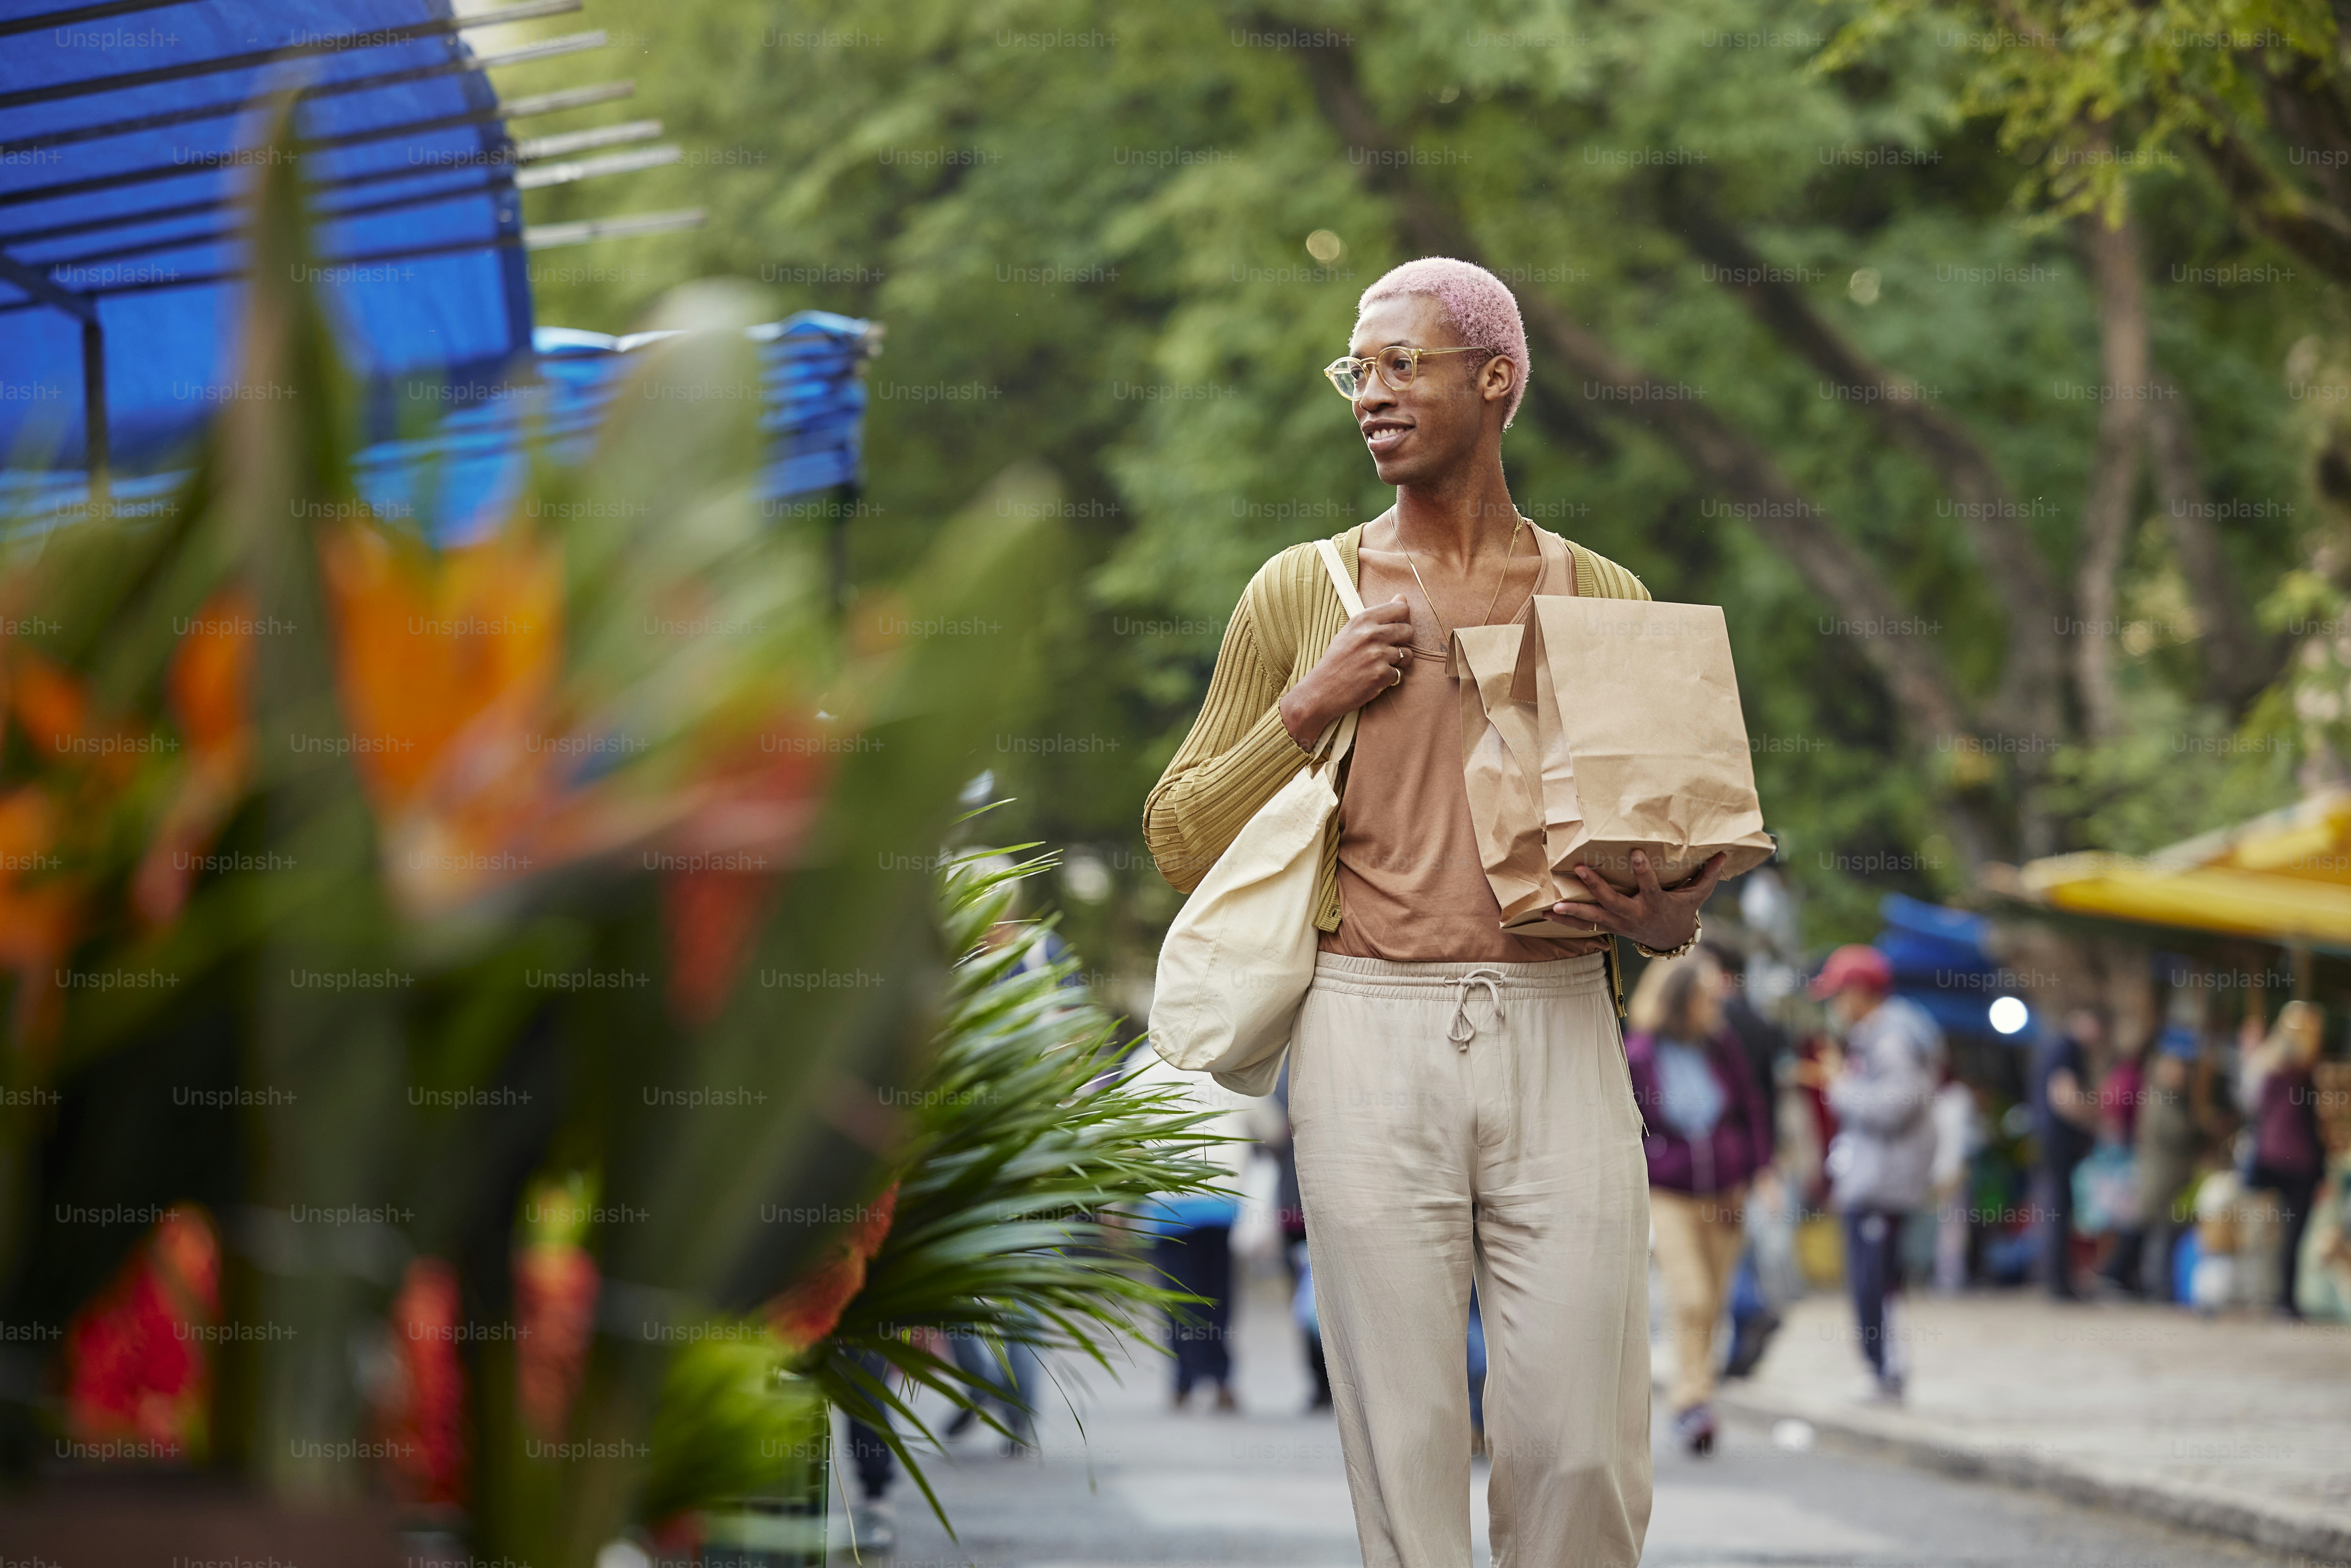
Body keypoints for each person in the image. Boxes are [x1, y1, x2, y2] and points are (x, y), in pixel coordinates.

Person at [1146, 257, 1710, 1568]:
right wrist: (1310, 705)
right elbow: (1178, 837)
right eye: (1361, 371)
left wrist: (1667, 910)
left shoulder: (1606, 598)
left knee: (1580, 1444)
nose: (1373, 396)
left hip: (1562, 1021)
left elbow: (1675, 891)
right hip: (1364, 1028)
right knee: (1403, 1444)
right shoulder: (1301, 593)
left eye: (1406, 365)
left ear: (1496, 379)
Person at [1624, 950, 1775, 1456]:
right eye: (1706, 996)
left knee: (1711, 1301)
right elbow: (1632, 1124)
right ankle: (1691, 1398)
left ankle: (1697, 1397)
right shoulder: (1640, 1053)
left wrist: (1760, 1171)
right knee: (1688, 1295)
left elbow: (1751, 1107)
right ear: (1681, 998)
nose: (1716, 1004)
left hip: (1725, 1192)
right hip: (1669, 1192)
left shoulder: (1722, 1046)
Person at [1799, 945, 1942, 1404]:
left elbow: (1896, 1105)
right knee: (1877, 1280)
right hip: (1877, 1178)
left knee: (1875, 1282)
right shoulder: (1884, 1034)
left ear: (1861, 992)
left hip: (1883, 1182)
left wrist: (1840, 1087)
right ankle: (1883, 1368)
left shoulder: (1892, 1037)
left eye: (1839, 994)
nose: (1837, 1006)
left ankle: (1884, 1370)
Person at [2246, 1001, 2327, 1318]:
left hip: (2270, 1156)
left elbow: (2256, 1110)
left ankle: (2271, 1295)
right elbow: (2307, 1122)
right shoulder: (2301, 1071)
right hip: (2298, 1160)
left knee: (2271, 1232)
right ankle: (2285, 1299)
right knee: (2293, 1232)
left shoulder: (2269, 1064)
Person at [2119, 1026, 2201, 1300]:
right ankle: (2156, 1287)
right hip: (2160, 1178)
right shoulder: (2160, 1097)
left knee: (2161, 1234)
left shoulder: (2176, 1098)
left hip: (2170, 1177)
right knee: (2158, 1235)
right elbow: (2176, 1133)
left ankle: (2148, 1283)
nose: (2183, 1074)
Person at [2030, 1007, 2106, 1299]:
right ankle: (2058, 1283)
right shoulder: (2067, 1047)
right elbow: (2064, 1097)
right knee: (2059, 1209)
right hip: (2058, 1142)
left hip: (2050, 1140)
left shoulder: (2054, 1046)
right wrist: (2096, 1120)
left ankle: (2056, 1279)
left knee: (2054, 1207)